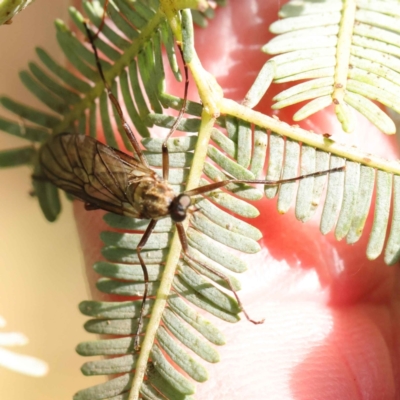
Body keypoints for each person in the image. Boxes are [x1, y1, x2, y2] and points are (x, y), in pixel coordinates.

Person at [74, 1, 400, 398]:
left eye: (182, 206)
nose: (187, 208)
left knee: (123, 149)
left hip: (126, 183)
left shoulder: (174, 200)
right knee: (114, 153)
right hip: (121, 186)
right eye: (182, 209)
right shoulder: (167, 203)